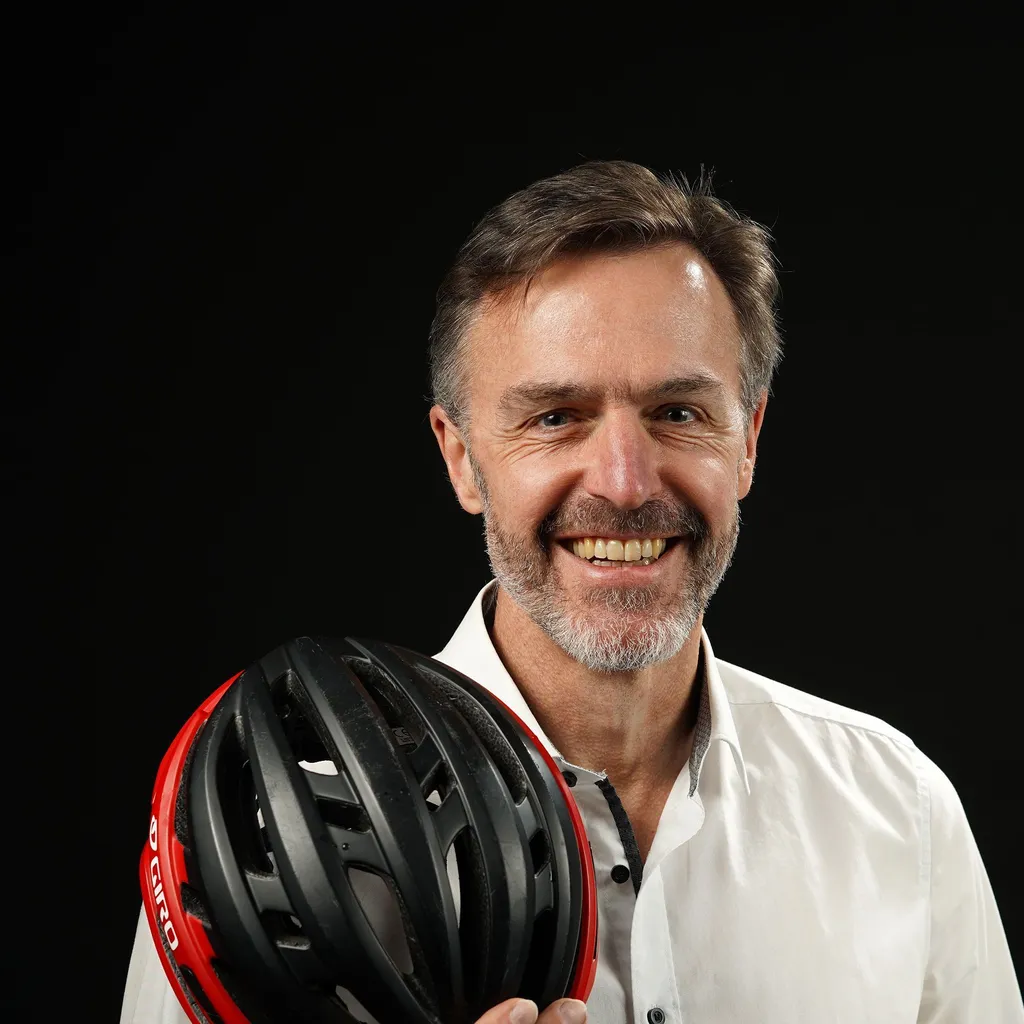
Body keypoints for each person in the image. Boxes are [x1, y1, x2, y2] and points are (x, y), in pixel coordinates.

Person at [121, 161, 1022, 1023]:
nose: (626, 484)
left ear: (746, 441)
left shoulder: (896, 809)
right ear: (461, 457)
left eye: (679, 412)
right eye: (555, 418)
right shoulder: (266, 844)